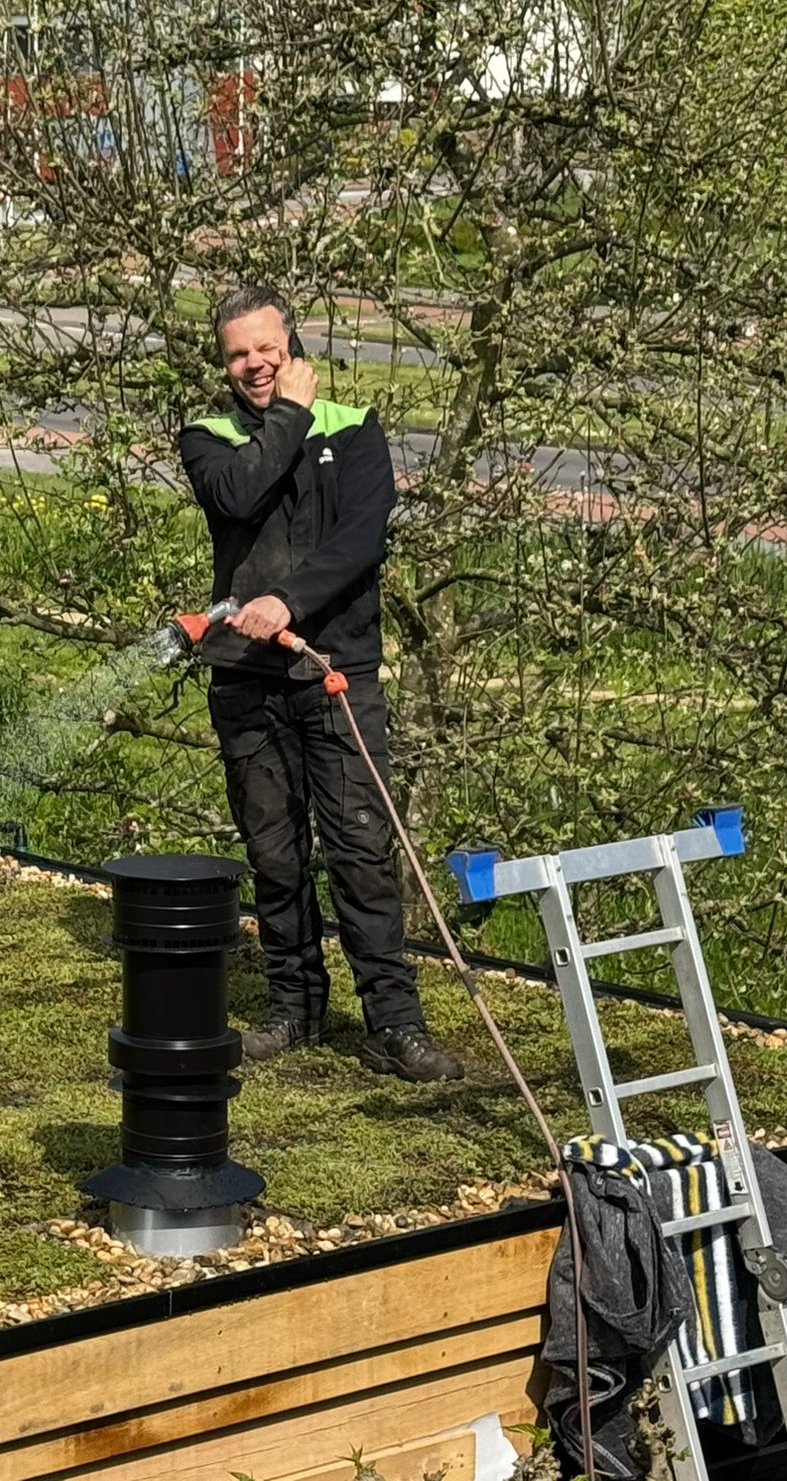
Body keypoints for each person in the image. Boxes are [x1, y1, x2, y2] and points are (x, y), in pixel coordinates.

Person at [177, 284, 464, 1082]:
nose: (253, 364)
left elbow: (361, 540)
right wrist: (289, 419)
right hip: (244, 678)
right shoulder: (208, 438)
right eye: (238, 353)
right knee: (273, 851)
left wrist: (290, 601)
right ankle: (294, 1006)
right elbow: (239, 494)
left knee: (362, 849)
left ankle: (393, 1022)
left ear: (292, 346)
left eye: (266, 348)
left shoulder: (357, 431)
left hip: (336, 668)